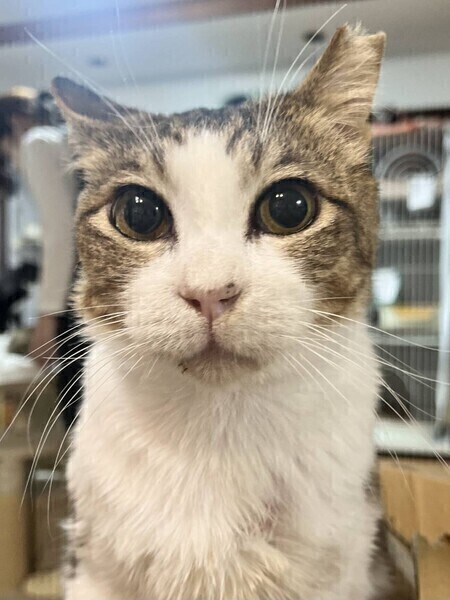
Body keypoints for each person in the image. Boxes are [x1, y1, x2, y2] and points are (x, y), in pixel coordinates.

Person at [0, 87, 84, 429]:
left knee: (77, 408)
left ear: (14, 121)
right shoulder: (63, 140)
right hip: (91, 290)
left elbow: (62, 232)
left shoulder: (37, 142)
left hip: (76, 300)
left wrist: (47, 317)